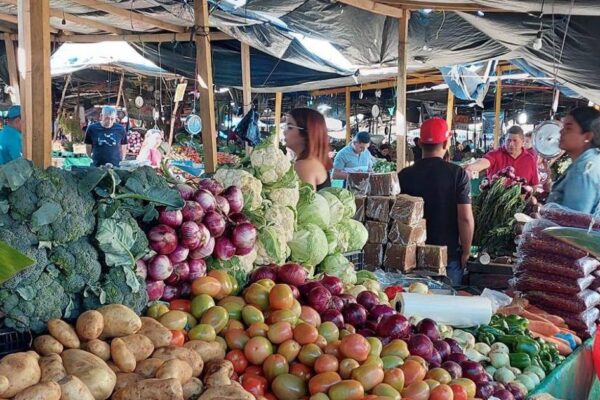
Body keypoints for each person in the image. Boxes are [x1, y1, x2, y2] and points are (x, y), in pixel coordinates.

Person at [398, 117, 474, 286]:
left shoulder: (403, 175)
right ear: (446, 143)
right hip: (448, 259)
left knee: (412, 310)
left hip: (411, 259)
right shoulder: (457, 174)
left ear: (419, 143)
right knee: (446, 308)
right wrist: (466, 252)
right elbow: (465, 218)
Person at [547, 107, 600, 214]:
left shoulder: (583, 171)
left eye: (568, 128)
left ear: (587, 136)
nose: (561, 132)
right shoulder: (592, 161)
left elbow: (574, 224)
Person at [465, 125, 539, 185]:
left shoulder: (530, 159)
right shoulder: (495, 154)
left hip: (521, 202)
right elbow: (485, 161)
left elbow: (534, 184)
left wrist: (529, 196)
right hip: (495, 200)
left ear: (523, 142)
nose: (511, 144)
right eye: (508, 140)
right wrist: (471, 168)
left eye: (515, 141)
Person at [284, 108, 332, 190]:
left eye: (290, 127)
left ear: (306, 134)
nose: (284, 131)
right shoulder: (312, 161)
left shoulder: (304, 166)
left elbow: (305, 202)